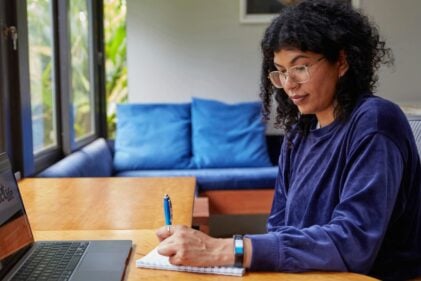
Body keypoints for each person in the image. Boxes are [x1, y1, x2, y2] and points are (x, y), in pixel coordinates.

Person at [155, 0, 421, 280]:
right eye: (280, 71)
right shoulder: (299, 133)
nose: (289, 83)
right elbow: (279, 226)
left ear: (341, 62)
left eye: (300, 67)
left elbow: (352, 243)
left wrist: (225, 249)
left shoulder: (375, 121)